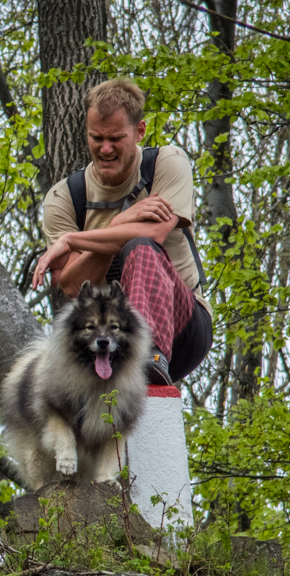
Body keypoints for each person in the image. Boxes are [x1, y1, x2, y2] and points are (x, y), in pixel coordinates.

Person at [33, 77, 213, 385]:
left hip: (184, 327)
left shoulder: (166, 164)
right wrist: (118, 223)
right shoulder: (65, 198)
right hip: (106, 344)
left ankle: (149, 356)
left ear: (139, 130)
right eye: (96, 137)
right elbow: (73, 285)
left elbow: (155, 234)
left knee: (140, 245)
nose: (105, 149)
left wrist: (74, 240)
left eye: (116, 138)